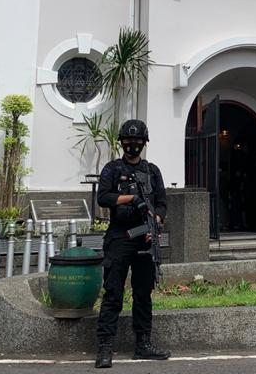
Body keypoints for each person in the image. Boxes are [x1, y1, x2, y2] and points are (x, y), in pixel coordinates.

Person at [95, 119, 169, 369]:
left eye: (137, 141)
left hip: (144, 237)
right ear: (122, 143)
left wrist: (154, 222)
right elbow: (103, 197)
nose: (133, 145)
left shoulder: (153, 171)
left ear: (144, 143)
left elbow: (162, 203)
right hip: (120, 236)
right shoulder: (112, 169)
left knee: (143, 293)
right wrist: (132, 198)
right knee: (113, 291)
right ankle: (105, 347)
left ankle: (143, 344)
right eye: (128, 141)